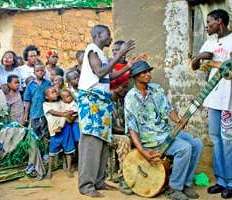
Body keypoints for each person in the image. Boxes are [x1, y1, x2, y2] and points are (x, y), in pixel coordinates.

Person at [125, 60, 203, 200]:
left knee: (197, 144)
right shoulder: (130, 98)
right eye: (144, 72)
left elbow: (168, 109)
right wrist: (142, 150)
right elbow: (132, 127)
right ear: (135, 76)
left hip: (165, 131)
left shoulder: (156, 89)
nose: (148, 74)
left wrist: (178, 121)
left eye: (149, 71)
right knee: (184, 148)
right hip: (150, 138)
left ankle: (186, 183)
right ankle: (174, 188)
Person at [77, 24, 135, 198]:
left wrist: (127, 66)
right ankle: (86, 185)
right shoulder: (92, 50)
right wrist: (119, 54)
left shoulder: (101, 54)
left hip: (101, 103)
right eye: (108, 35)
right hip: (91, 102)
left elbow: (108, 76)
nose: (111, 38)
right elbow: (100, 71)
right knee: (91, 143)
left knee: (102, 142)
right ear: (98, 35)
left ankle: (99, 181)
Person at [191, 9, 232, 199]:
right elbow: (194, 66)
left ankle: (231, 183)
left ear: (220, 22)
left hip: (229, 100)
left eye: (209, 22)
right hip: (213, 98)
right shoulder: (209, 42)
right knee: (216, 139)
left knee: (228, 140)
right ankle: (221, 181)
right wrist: (199, 57)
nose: (206, 26)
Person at [43, 86, 75, 179]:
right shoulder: (46, 104)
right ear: (47, 97)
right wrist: (65, 114)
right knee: (52, 152)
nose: (55, 93)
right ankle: (49, 171)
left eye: (55, 92)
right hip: (54, 131)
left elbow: (69, 112)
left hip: (66, 129)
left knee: (68, 150)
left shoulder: (61, 102)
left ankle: (68, 169)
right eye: (52, 92)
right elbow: (53, 112)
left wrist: (68, 114)